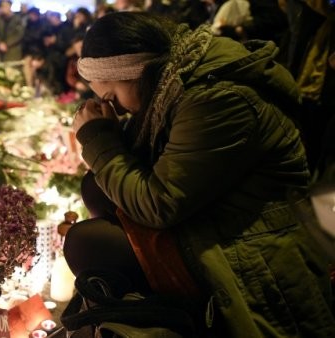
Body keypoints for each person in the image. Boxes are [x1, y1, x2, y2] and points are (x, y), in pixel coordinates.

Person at [65, 11, 335, 337]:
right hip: (210, 215)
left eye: (111, 97)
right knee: (96, 188)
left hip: (249, 241)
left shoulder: (218, 99)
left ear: (139, 73)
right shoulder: (172, 85)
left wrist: (98, 139)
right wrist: (107, 136)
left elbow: (160, 204)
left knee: (85, 243)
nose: (115, 109)